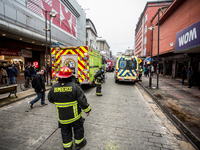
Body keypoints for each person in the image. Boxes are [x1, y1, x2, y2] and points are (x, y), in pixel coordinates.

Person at [48, 66, 91, 150]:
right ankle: (79, 144)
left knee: (65, 131)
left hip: (62, 116)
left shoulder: (54, 88)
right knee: (78, 128)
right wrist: (87, 110)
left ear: (59, 76)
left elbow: (50, 99)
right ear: (70, 76)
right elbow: (82, 100)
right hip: (75, 116)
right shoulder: (75, 87)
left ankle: (67, 147)